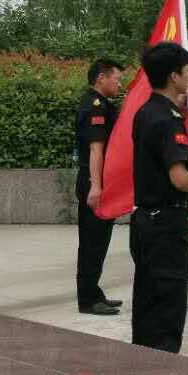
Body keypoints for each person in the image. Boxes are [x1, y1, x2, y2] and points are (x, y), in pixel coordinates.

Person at [129, 41, 188, 352]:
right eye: (186, 71)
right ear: (174, 76)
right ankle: (163, 364)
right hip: (166, 226)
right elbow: (179, 179)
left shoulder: (145, 112)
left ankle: (143, 357)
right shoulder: (168, 120)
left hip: (144, 221)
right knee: (168, 303)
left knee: (147, 299)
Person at [74, 59, 125, 316]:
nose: (119, 84)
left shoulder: (101, 104)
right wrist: (96, 186)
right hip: (94, 180)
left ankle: (93, 293)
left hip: (100, 180)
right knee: (92, 242)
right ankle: (88, 300)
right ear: (101, 78)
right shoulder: (94, 106)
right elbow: (96, 149)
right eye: (117, 78)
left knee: (98, 241)